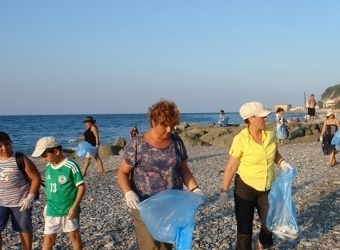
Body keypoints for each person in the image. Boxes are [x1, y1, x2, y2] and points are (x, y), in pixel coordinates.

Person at [116, 99, 204, 250]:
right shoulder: (137, 144)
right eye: (165, 125)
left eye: (173, 125)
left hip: (171, 203)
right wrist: (128, 193)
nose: (170, 129)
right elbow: (123, 173)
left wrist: (195, 189)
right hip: (144, 203)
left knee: (166, 244)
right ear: (153, 122)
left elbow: (183, 169)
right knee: (149, 245)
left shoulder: (177, 142)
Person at [219, 101, 292, 250]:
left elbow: (274, 153)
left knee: (269, 224)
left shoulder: (270, 135)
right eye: (262, 117)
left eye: (266, 116)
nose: (266, 119)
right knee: (244, 228)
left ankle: (261, 243)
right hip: (245, 188)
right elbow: (232, 166)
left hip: (267, 187)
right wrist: (224, 191)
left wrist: (282, 162)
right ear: (251, 118)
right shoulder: (241, 139)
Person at [31, 136, 85, 250]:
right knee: (48, 239)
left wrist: (74, 207)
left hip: (68, 210)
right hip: (52, 209)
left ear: (56, 151)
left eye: (45, 156)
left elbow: (81, 187)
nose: (44, 159)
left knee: (74, 236)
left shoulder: (70, 166)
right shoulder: (49, 166)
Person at [0, 131, 42, 250]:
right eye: (0, 146)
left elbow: (36, 178)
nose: (4, 148)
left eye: (7, 144)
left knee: (24, 228)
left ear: (11, 143)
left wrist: (30, 197)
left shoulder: (20, 158)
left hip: (20, 202)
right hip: (0, 202)